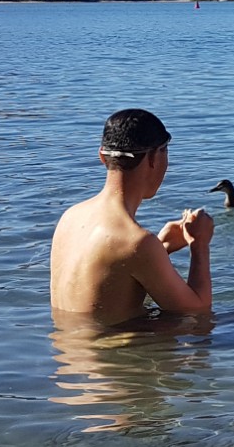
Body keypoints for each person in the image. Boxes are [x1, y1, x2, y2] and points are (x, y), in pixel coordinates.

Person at [50, 109, 214, 326]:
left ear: (102, 157)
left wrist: (161, 247)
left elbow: (111, 280)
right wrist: (199, 244)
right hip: (115, 347)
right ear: (154, 158)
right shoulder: (135, 241)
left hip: (65, 346)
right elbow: (198, 312)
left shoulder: (70, 217)